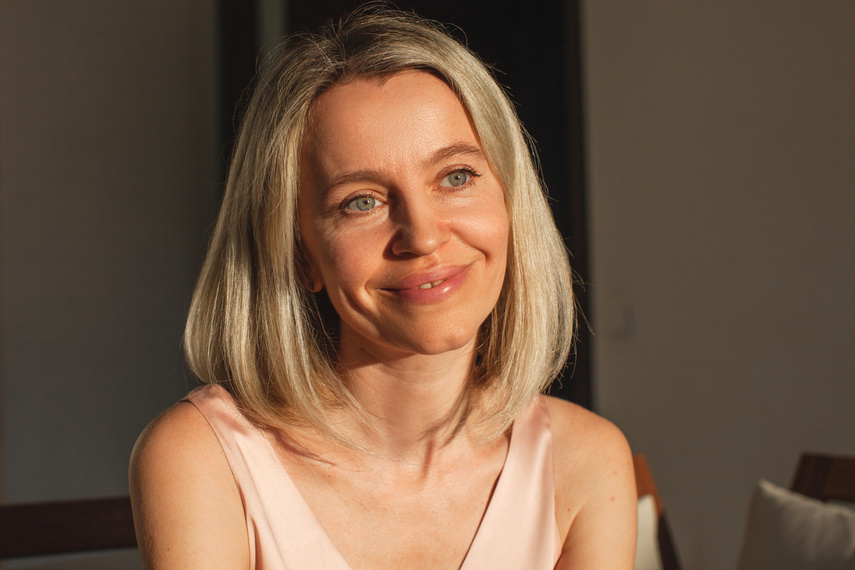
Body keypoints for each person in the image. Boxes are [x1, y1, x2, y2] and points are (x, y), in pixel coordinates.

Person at [130, 7, 636, 569]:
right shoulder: (202, 457)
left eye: (456, 177)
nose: (422, 236)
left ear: (510, 202)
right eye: (361, 202)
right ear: (298, 254)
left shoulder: (586, 461)